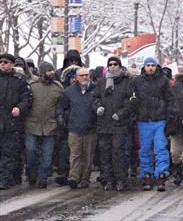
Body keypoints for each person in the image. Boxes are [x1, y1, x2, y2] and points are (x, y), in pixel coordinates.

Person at [129, 57, 176, 192]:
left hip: (159, 120)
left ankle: (161, 175)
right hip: (143, 120)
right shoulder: (137, 81)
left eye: (153, 65)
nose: (150, 68)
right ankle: (147, 174)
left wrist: (170, 117)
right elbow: (132, 99)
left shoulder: (163, 80)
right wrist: (134, 113)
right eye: (148, 65)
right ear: (144, 67)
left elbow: (170, 99)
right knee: (145, 149)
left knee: (160, 148)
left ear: (156, 66)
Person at [93, 56, 133, 191]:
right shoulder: (101, 82)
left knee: (118, 154)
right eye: (110, 64)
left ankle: (120, 179)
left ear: (120, 66)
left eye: (115, 64)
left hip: (119, 124)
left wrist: (120, 114)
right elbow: (95, 98)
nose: (113, 66)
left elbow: (131, 102)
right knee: (105, 154)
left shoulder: (127, 82)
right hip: (104, 124)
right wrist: (97, 107)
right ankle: (108, 179)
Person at [24, 61, 63, 188]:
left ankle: (43, 178)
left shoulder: (58, 87)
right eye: (48, 71)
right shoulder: (32, 86)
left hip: (50, 127)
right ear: (42, 72)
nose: (52, 73)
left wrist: (60, 117)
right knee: (30, 152)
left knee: (47, 156)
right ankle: (32, 173)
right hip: (32, 125)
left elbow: (61, 105)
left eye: (52, 70)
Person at [58, 67, 96, 189]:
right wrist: (64, 117)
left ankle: (85, 178)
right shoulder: (69, 91)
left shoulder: (96, 90)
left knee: (88, 156)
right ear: (76, 77)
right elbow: (62, 106)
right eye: (81, 75)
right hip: (74, 128)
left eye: (86, 75)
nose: (84, 77)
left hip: (91, 128)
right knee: (75, 155)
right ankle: (73, 177)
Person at [0, 53, 32, 190]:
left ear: (12, 64)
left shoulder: (19, 80)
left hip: (12, 123)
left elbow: (27, 99)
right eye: (0, 62)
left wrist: (19, 107)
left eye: (6, 62)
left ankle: (5, 179)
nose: (2, 64)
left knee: (9, 152)